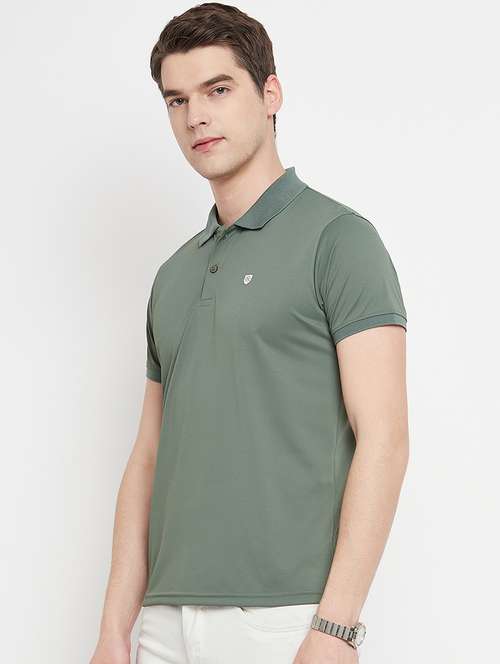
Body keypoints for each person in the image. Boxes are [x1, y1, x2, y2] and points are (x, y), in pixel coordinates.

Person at [90, 3, 409, 663]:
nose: (195, 116)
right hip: (162, 621)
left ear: (270, 95)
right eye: (177, 100)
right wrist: (114, 631)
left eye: (218, 89)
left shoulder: (339, 240)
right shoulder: (172, 276)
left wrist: (336, 627)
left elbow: (385, 436)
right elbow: (148, 455)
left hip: (282, 619)